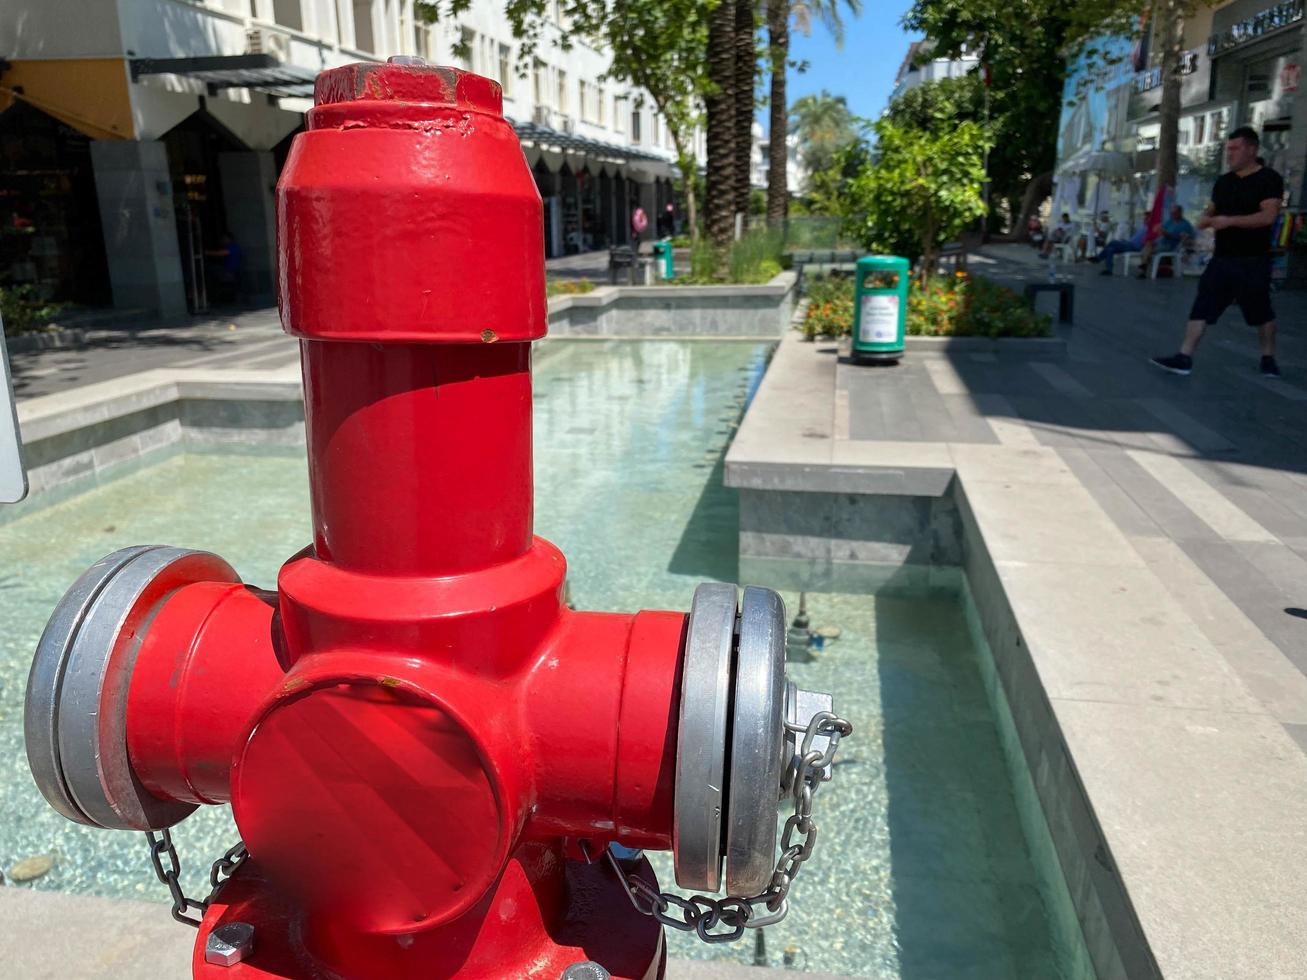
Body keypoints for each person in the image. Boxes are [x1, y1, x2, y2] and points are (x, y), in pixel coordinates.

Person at [1151, 127, 1284, 377]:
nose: (1229, 154)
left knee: (1261, 311)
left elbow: (1268, 216)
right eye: (1228, 148)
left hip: (1253, 259)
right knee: (1202, 306)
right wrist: (1203, 220)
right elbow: (1210, 212)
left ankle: (1268, 358)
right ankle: (1184, 356)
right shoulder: (1224, 182)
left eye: (1235, 148)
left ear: (1252, 149)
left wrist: (1230, 221)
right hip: (1222, 258)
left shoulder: (1269, 179)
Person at [1136, 204, 1195, 278]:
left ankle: (1143, 268)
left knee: (1148, 249)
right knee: (1148, 244)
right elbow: (1161, 231)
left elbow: (1181, 239)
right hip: (1161, 243)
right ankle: (1144, 266)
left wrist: (1165, 233)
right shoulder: (1169, 222)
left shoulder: (1185, 225)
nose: (1172, 215)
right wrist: (1159, 230)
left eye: (1174, 213)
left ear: (1180, 213)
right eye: (1171, 213)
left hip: (1171, 246)